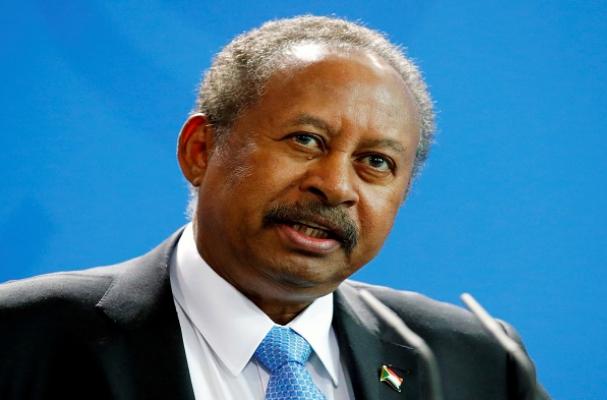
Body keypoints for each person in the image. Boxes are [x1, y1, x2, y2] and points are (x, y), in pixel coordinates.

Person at [0, 16, 549, 400]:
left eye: (376, 162)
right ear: (201, 150)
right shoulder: (18, 340)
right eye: (305, 140)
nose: (335, 186)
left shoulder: (476, 362)